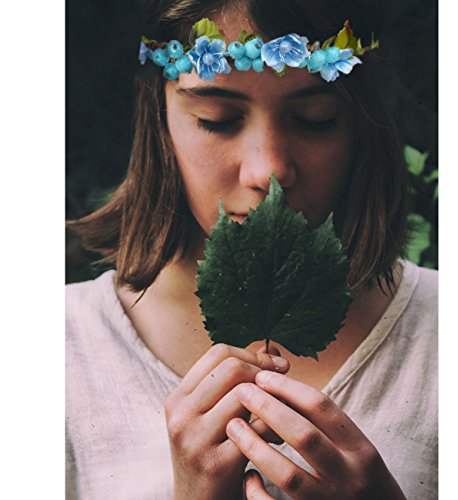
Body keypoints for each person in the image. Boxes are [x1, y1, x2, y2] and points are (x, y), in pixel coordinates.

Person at [66, 0, 438, 498]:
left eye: (314, 119)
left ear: (360, 123)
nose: (268, 171)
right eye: (217, 119)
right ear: (160, 117)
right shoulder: (62, 349)